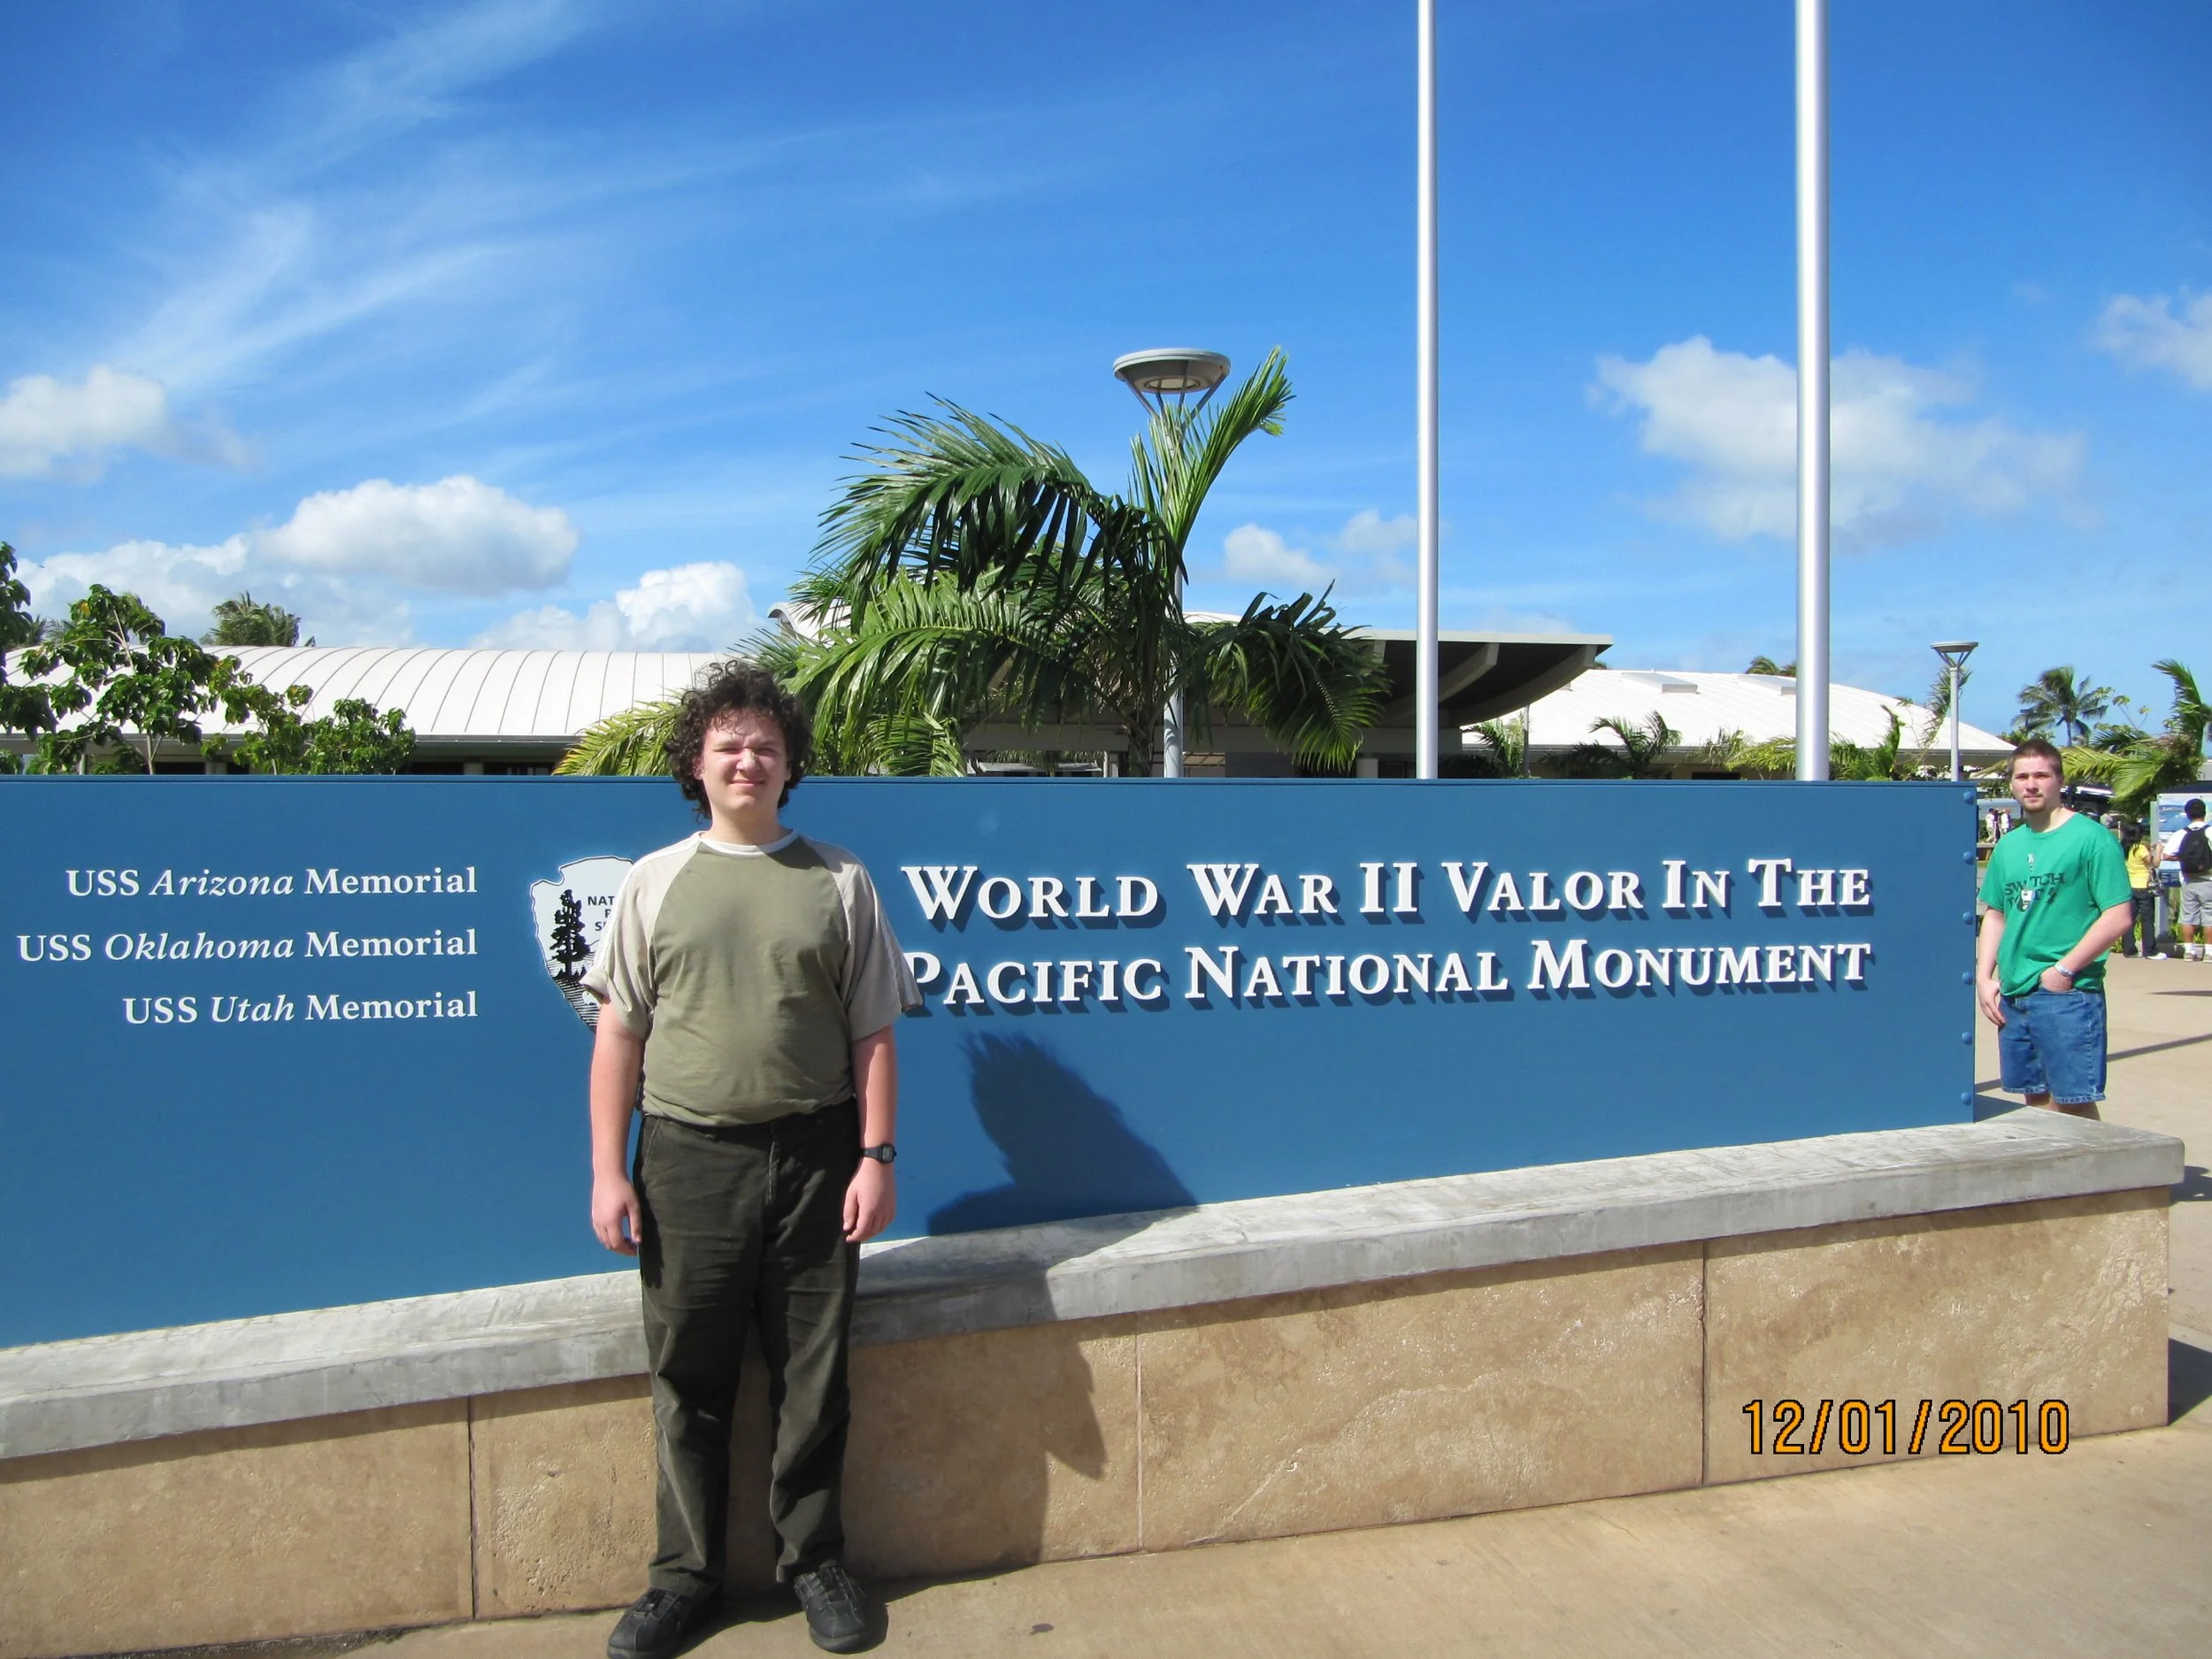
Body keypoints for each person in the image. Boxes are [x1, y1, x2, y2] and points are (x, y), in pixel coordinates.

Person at [583, 660, 918, 1658]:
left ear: (789, 765)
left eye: (765, 744)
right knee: (689, 1376)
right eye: (727, 743)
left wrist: (877, 1157)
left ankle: (813, 1560)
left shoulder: (841, 880)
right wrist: (609, 1171)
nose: (747, 759)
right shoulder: (653, 882)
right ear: (696, 762)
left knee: (814, 1376)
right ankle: (683, 1578)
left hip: (819, 1156)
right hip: (686, 1160)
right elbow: (617, 1037)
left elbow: (874, 1037)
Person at [1975, 739, 2134, 1119]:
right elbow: (1996, 914)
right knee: (2035, 1103)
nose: (2031, 784)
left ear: (2058, 781)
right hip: (2014, 994)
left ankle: (2096, 1178)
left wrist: (2064, 971)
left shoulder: (2090, 839)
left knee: (2074, 1104)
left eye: (2041, 775)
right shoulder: (2009, 847)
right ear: (2011, 784)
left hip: (2067, 995)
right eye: (2022, 776)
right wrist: (1984, 977)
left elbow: (2118, 915)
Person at [2161, 797, 2212, 961]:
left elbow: (2167, 855)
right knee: (2209, 917)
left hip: (2188, 880)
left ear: (2187, 814)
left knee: (2188, 916)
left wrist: (2183, 858)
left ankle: (2189, 952)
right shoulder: (2210, 831)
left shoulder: (2180, 833)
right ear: (2205, 813)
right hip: (2209, 880)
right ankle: (2210, 953)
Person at [2120, 822, 2157, 957]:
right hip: (2142, 886)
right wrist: (2157, 851)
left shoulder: (2123, 848)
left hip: (2128, 886)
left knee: (2130, 919)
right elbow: (2154, 862)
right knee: (2147, 919)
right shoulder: (2140, 848)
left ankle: (2129, 950)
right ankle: (2149, 950)